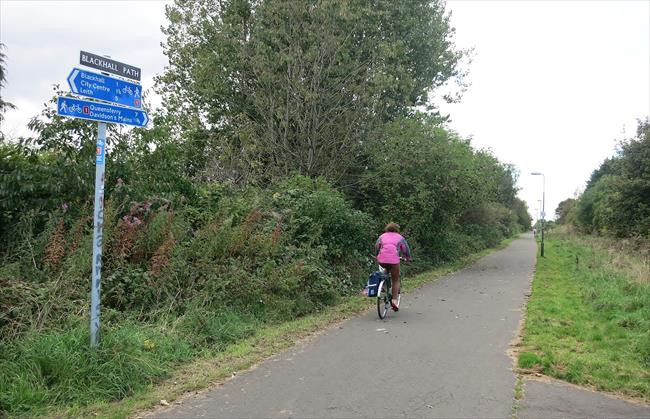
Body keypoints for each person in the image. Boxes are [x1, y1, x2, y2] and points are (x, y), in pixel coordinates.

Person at [375, 222, 412, 311]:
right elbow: (406, 249)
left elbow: (376, 247)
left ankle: (383, 286)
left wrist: (377, 255)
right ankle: (394, 301)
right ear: (397, 230)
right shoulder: (400, 238)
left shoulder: (382, 236)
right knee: (395, 280)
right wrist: (408, 258)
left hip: (382, 260)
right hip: (394, 260)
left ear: (387, 229)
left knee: (386, 270)